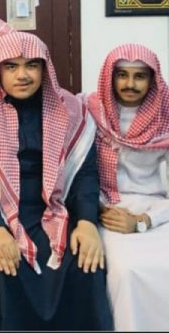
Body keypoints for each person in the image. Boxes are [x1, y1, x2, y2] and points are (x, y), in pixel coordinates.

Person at [0, 31, 112, 330]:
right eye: (11, 66)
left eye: (32, 66)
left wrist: (87, 222)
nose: (22, 75)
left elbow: (85, 173)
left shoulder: (69, 109)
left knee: (84, 266)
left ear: (44, 68)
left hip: (51, 206)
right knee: (2, 272)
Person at [85, 43, 169, 330]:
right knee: (127, 271)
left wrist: (144, 221)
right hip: (107, 209)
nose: (130, 84)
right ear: (110, 76)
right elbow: (76, 173)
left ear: (152, 80)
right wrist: (97, 209)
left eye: (139, 76)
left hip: (154, 212)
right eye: (122, 75)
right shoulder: (90, 110)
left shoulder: (165, 117)